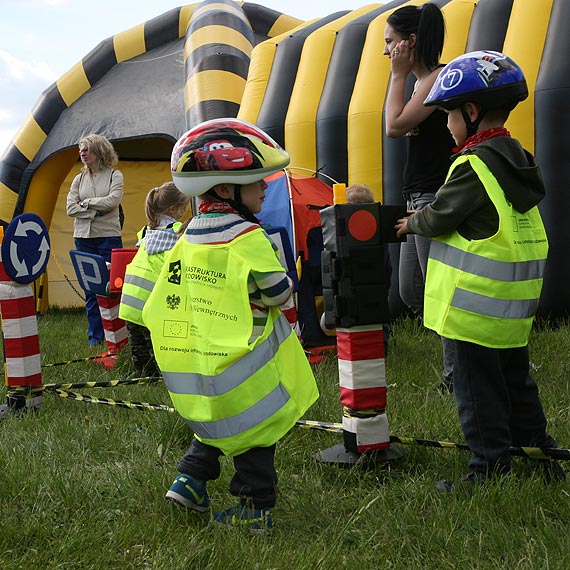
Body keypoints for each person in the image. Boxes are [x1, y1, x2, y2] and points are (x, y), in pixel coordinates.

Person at [395, 50, 565, 490]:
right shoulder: (516, 157)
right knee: (517, 384)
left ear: (470, 112)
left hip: (473, 310)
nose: (447, 124)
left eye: (449, 115)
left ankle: (487, 470)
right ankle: (540, 455)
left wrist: (412, 221)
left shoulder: (473, 164)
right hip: (510, 308)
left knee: (476, 393)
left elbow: (439, 216)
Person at [142, 118, 319, 532]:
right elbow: (279, 294)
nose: (265, 188)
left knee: (214, 421)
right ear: (226, 189)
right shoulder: (248, 236)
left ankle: (190, 480)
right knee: (254, 433)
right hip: (247, 363)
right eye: (258, 182)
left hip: (203, 357)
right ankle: (255, 507)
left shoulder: (189, 237)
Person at [384, 3, 456, 393]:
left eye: (390, 42)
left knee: (436, 291)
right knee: (412, 290)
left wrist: (397, 75)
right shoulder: (420, 83)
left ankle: (456, 376)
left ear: (410, 41)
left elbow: (393, 125)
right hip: (417, 197)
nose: (386, 51)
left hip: (432, 197)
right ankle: (462, 358)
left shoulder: (435, 79)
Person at [119, 182, 190, 378]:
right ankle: (163, 379)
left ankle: (142, 378)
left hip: (129, 301)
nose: (185, 211)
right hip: (149, 306)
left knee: (140, 354)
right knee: (159, 352)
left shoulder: (145, 230)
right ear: (173, 209)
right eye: (184, 207)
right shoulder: (178, 231)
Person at [66, 133, 124, 346]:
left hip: (108, 237)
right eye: (80, 149)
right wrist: (94, 211)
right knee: (90, 290)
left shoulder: (114, 176)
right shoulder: (78, 179)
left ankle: (117, 338)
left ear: (99, 151)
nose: (82, 153)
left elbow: (112, 201)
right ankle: (95, 339)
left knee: (111, 287)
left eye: (86, 149)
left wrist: (86, 203)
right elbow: (70, 208)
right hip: (83, 238)